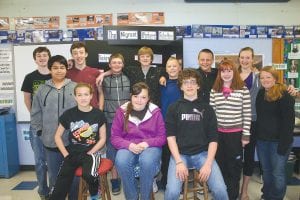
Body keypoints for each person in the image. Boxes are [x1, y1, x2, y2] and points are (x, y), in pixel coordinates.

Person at [164, 69, 228, 200]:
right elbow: (170, 138)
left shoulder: (208, 109)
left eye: (193, 82)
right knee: (171, 192)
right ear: (181, 86)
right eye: (186, 82)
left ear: (198, 85)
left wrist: (208, 164)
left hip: (203, 154)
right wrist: (178, 162)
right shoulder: (173, 108)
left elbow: (213, 139)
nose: (189, 85)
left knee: (220, 190)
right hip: (180, 155)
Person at [49, 83, 106, 200]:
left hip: (92, 153)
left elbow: (103, 138)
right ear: (75, 97)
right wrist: (65, 154)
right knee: (62, 180)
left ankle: (95, 193)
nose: (83, 98)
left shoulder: (98, 114)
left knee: (89, 175)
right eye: (79, 95)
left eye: (86, 94)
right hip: (73, 153)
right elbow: (57, 136)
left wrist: (92, 151)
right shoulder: (69, 114)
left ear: (91, 96)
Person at [111, 82, 166, 200]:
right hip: (128, 145)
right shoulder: (121, 111)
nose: (139, 100)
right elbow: (114, 138)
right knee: (121, 161)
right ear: (131, 96)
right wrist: (128, 145)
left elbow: (162, 137)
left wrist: (147, 143)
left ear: (148, 98)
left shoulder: (156, 112)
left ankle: (145, 197)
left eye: (143, 97)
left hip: (150, 145)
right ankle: (132, 197)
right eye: (136, 96)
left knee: (147, 161)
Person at [30, 55, 77, 194]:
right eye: (55, 68)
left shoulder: (74, 87)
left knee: (73, 177)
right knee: (54, 176)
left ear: (66, 69)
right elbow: (35, 112)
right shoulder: (42, 89)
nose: (59, 71)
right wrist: (39, 130)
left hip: (72, 141)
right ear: (50, 69)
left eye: (62, 67)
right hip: (50, 141)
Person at [210, 59, 251, 200]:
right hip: (219, 135)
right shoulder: (214, 90)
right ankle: (221, 196)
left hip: (236, 136)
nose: (226, 74)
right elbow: (212, 115)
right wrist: (212, 136)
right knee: (220, 167)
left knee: (234, 168)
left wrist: (246, 136)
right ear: (219, 73)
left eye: (229, 70)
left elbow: (247, 113)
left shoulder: (243, 89)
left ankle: (232, 196)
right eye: (223, 71)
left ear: (234, 72)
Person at [256, 66, 295, 200]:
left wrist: (283, 145)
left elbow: (288, 123)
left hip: (279, 142)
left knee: (277, 173)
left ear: (275, 78)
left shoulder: (285, 95)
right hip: (262, 141)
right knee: (266, 172)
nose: (265, 80)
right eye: (262, 77)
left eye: (268, 77)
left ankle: (276, 197)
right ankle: (266, 196)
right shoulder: (261, 94)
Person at [21, 46, 51, 200]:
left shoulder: (56, 74)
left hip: (54, 125)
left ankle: (55, 189)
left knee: (54, 160)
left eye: (45, 55)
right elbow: (27, 98)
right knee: (39, 161)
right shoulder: (30, 77)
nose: (42, 58)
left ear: (49, 57)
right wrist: (35, 116)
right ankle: (43, 192)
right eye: (39, 56)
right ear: (35, 59)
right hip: (37, 124)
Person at [98, 53, 130, 195]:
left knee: (129, 149)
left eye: (119, 62)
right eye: (114, 63)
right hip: (110, 120)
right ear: (109, 65)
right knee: (112, 151)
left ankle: (129, 178)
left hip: (128, 120)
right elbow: (100, 95)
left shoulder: (129, 77)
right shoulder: (103, 79)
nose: (117, 65)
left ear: (123, 64)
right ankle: (115, 179)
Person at [98, 46, 164, 106]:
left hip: (153, 106)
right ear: (138, 59)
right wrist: (103, 74)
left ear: (151, 59)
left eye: (147, 56)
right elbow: (117, 69)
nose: (145, 58)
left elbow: (168, 73)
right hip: (136, 106)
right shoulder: (132, 70)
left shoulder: (158, 71)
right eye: (142, 56)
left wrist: (163, 77)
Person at [238, 47, 260, 200]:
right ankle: (232, 187)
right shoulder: (233, 76)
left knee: (249, 157)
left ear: (253, 59)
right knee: (235, 157)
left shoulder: (259, 77)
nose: (244, 60)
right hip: (235, 122)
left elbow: (275, 88)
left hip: (253, 122)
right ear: (238, 59)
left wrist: (291, 90)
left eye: (248, 58)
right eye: (242, 57)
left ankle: (244, 191)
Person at [158, 57, 182, 190]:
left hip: (181, 124)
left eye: (174, 66)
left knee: (178, 154)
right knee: (166, 154)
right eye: (169, 66)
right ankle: (166, 181)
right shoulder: (162, 83)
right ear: (165, 69)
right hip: (165, 124)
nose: (172, 69)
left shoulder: (184, 83)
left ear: (179, 68)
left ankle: (179, 182)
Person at [67, 41, 103, 109]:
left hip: (93, 113)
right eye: (75, 53)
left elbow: (101, 93)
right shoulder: (67, 74)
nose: (78, 56)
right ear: (72, 55)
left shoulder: (96, 72)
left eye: (81, 52)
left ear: (86, 54)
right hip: (73, 113)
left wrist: (100, 111)